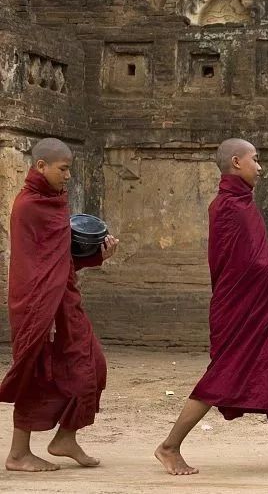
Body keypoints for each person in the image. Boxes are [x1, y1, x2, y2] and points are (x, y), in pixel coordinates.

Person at [154, 138, 268, 475]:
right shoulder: (230, 208)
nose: (261, 166)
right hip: (239, 307)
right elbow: (250, 266)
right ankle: (169, 446)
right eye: (256, 159)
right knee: (224, 374)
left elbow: (258, 259)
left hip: (249, 303)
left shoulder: (239, 203)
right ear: (236, 162)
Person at [2, 138, 118, 471]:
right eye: (63, 169)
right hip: (38, 305)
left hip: (63, 300)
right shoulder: (28, 206)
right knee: (35, 373)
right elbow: (32, 266)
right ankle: (18, 453)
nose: (68, 176)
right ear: (41, 166)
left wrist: (97, 255)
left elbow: (59, 260)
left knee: (94, 365)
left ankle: (66, 437)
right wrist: (45, 312)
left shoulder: (55, 201)